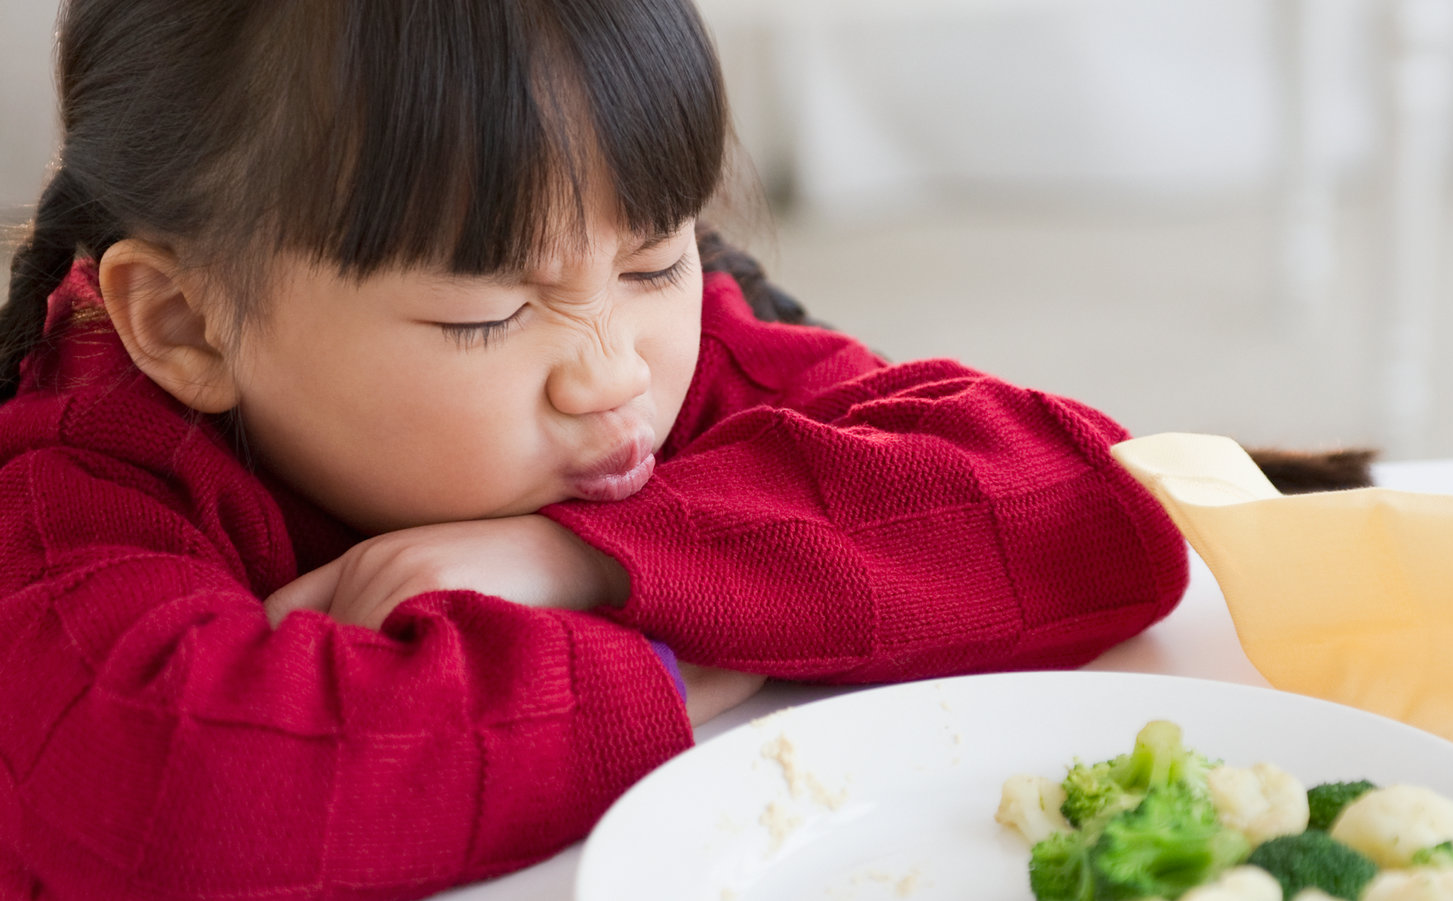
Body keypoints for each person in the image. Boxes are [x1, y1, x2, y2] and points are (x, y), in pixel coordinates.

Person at [0, 1, 1190, 898]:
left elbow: (1089, 501)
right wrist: (686, 668)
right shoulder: (70, 485)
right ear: (185, 323)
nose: (615, 368)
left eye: (657, 256)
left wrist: (581, 560)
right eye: (486, 313)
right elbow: (184, 794)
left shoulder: (678, 347)